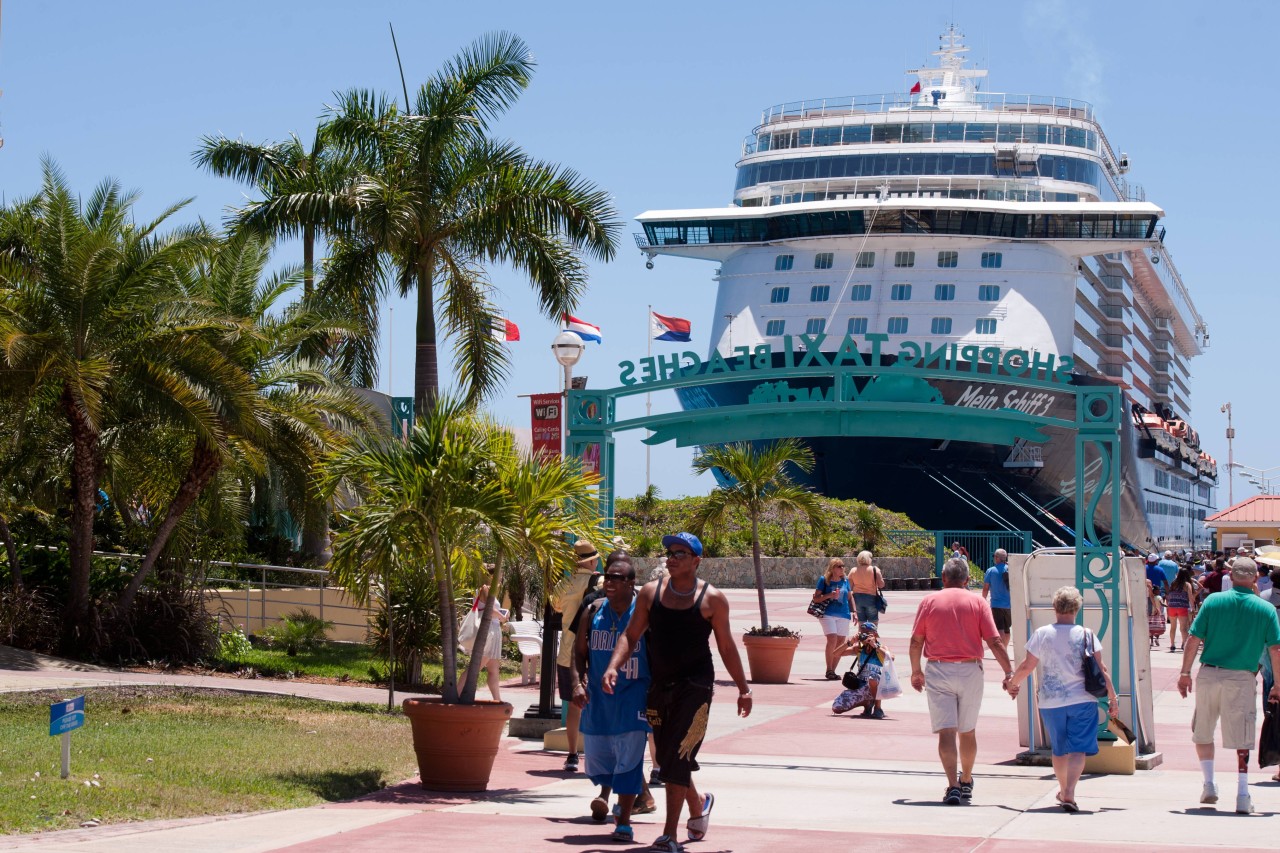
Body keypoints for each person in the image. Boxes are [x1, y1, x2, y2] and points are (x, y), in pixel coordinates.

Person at [604, 531, 752, 853]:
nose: (671, 557)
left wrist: (743, 688)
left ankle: (669, 835)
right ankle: (698, 804)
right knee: (669, 756)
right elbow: (631, 635)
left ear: (696, 561)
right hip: (659, 685)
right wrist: (614, 665)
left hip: (696, 687)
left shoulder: (712, 599)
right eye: (669, 552)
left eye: (680, 553)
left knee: (679, 754)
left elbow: (726, 647)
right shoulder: (649, 593)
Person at [1176, 556, 1280, 814]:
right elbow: (1275, 650)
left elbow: (1193, 638)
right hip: (1242, 677)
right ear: (1255, 578)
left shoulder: (1213, 601)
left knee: (1203, 729)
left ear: (1231, 577)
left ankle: (1209, 783)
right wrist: (1277, 683)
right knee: (1241, 735)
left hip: (1210, 673)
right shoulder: (1265, 609)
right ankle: (1243, 793)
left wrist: (1185, 672)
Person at [909, 557, 1014, 805]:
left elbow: (916, 641)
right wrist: (1009, 673)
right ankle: (966, 779)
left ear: (944, 578)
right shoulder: (977, 602)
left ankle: (952, 786)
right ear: (967, 580)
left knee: (946, 732)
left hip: (938, 669)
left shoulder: (929, 601)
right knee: (967, 731)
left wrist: (916, 671)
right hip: (970, 670)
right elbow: (995, 641)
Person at [1006, 586, 1119, 812]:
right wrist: (1113, 697)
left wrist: (1013, 683)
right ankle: (1069, 792)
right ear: (1077, 607)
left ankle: (1062, 788)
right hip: (1083, 700)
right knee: (1078, 749)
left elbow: (1028, 665)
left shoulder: (1042, 633)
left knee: (1059, 749)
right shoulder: (1087, 634)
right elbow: (1101, 668)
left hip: (1051, 702)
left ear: (1054, 607)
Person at [570, 555, 655, 843]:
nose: (610, 582)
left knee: (629, 760)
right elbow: (578, 654)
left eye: (618, 578)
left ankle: (624, 820)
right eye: (608, 576)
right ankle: (618, 797)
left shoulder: (645, 614)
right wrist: (577, 684)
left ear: (631, 583)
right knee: (598, 763)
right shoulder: (593, 611)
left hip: (633, 698)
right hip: (598, 701)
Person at [555, 539, 602, 772]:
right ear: (592, 561)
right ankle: (596, 755)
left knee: (573, 705)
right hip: (592, 651)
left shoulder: (564, 582)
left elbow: (556, 606)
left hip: (566, 652)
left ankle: (572, 754)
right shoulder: (598, 581)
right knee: (598, 705)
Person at [832, 621, 895, 718]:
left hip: (878, 685)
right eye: (862, 632)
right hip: (861, 686)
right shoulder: (859, 648)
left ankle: (878, 708)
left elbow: (891, 658)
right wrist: (849, 642)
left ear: (875, 634)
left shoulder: (881, 647)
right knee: (837, 707)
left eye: (868, 633)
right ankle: (867, 703)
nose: (865, 635)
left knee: (872, 678)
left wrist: (875, 645)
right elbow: (835, 654)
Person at [813, 557, 852, 680]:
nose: (842, 568)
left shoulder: (845, 581)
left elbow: (850, 597)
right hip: (828, 613)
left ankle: (832, 671)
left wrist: (854, 611)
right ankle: (829, 669)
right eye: (839, 566)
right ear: (833, 568)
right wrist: (830, 595)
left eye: (843, 566)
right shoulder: (824, 580)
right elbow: (816, 598)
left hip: (844, 614)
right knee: (832, 639)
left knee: (841, 643)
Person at [470, 584, 508, 701]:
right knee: (476, 667)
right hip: (488, 632)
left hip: (493, 631)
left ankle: (497, 700)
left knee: (494, 669)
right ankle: (460, 693)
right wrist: (502, 616)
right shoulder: (484, 588)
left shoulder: (489, 589)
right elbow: (490, 610)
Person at [982, 549, 1012, 648]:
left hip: (996, 605)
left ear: (997, 558)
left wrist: (983, 600)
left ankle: (1002, 651)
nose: (994, 558)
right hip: (1009, 605)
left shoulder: (991, 571)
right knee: (1007, 630)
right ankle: (1005, 648)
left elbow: (986, 588)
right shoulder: (1010, 569)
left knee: (999, 629)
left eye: (994, 556)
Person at [1166, 566, 1197, 653]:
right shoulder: (1187, 584)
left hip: (1172, 606)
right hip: (1182, 606)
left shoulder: (1173, 583)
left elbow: (1169, 594)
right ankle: (1184, 644)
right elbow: (1190, 597)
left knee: (1173, 627)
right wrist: (1193, 608)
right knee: (1183, 628)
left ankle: (1172, 645)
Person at [849, 550, 885, 626]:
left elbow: (849, 586)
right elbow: (881, 585)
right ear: (869, 559)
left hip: (857, 598)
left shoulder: (853, 570)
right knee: (873, 622)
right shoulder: (875, 570)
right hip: (871, 598)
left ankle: (862, 636)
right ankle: (871, 637)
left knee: (861, 622)